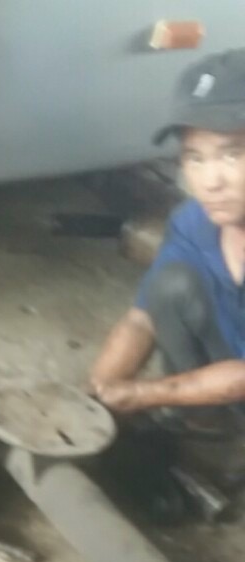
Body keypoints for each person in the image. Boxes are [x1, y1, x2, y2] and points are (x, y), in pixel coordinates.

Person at [91, 48, 245, 424]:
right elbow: (142, 319)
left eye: (232, 155)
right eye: (195, 158)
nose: (210, 181)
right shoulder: (193, 222)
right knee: (170, 284)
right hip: (228, 372)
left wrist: (148, 394)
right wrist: (98, 393)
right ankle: (205, 427)